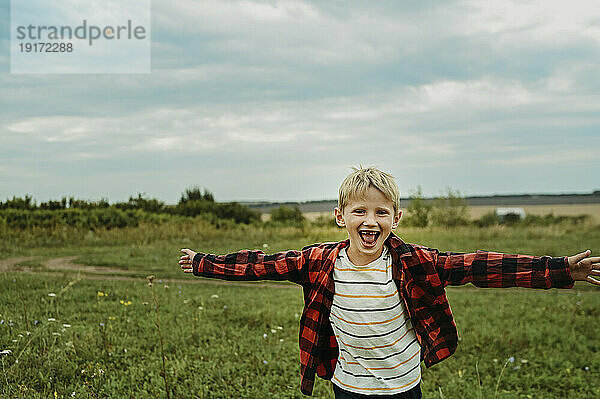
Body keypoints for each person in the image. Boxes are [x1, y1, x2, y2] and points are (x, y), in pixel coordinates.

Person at [178, 167, 599, 398]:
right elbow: (260, 264)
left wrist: (560, 270)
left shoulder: (414, 262)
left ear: (395, 219)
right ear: (341, 216)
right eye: (360, 211)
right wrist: (203, 263)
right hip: (348, 385)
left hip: (403, 385)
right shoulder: (318, 261)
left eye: (381, 212)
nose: (370, 220)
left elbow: (481, 266)